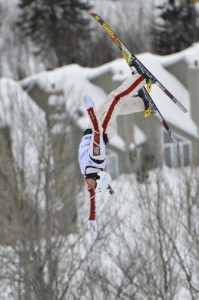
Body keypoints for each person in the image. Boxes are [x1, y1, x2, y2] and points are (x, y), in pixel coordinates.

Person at [78, 73, 149, 232]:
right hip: (102, 126)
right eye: (93, 185)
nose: (89, 187)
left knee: (114, 102)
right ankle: (141, 78)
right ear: (97, 177)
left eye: (92, 187)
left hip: (100, 126)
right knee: (116, 99)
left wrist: (92, 217)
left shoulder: (88, 173)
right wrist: (90, 110)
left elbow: (92, 198)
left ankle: (143, 103)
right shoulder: (95, 159)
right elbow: (97, 131)